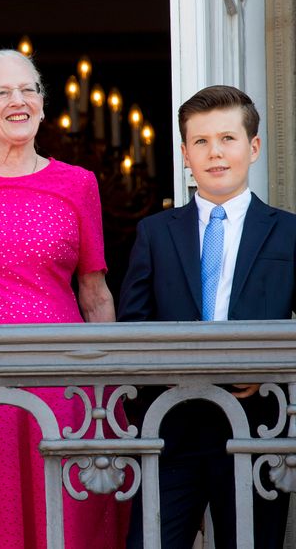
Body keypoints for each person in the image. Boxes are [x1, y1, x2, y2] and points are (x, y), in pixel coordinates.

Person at [0, 49, 128, 549]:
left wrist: (107, 391)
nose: (19, 100)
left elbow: (95, 297)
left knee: (65, 523)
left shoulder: (78, 183)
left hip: (62, 386)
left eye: (29, 89)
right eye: (2, 92)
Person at [118, 85, 295, 549]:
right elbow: (131, 327)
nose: (214, 153)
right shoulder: (154, 232)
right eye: (200, 142)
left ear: (253, 147)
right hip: (170, 429)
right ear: (184, 153)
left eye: (227, 139)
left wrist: (271, 372)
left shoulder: (289, 232)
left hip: (259, 430)